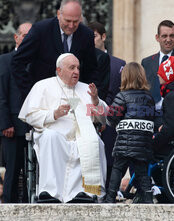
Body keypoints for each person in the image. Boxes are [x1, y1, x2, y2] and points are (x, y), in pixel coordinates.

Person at [18, 53, 107, 203]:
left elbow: (103, 118)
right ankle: (51, 192)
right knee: (51, 137)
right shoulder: (43, 86)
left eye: (78, 68)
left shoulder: (87, 89)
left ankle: (85, 192)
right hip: (54, 136)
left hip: (80, 138)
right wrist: (54, 114)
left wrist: (95, 100)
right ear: (59, 70)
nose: (76, 71)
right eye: (72, 68)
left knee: (95, 141)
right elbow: (30, 116)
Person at [11, 0, 98, 100]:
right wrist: (31, 92)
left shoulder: (86, 35)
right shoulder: (41, 30)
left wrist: (88, 97)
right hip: (43, 98)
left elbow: (91, 69)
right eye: (68, 21)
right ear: (58, 14)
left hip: (74, 99)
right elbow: (17, 62)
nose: (71, 26)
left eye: (75, 22)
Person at [104, 62, 155, 203]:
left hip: (125, 142)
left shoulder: (122, 96)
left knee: (117, 169)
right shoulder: (149, 97)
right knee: (142, 172)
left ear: (125, 77)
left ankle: (109, 198)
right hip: (143, 144)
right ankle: (148, 198)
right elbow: (152, 117)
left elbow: (112, 118)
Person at [88, 21, 126, 189]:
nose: (91, 40)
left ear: (103, 36)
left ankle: (111, 190)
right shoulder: (82, 61)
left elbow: (121, 91)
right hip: (88, 116)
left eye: (94, 36)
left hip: (112, 117)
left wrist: (108, 112)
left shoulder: (119, 64)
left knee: (111, 154)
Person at [0, 22, 32, 203]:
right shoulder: (4, 60)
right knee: (12, 170)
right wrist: (5, 123)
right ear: (16, 37)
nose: (28, 40)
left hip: (34, 126)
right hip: (12, 126)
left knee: (33, 171)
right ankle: (9, 208)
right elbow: (1, 94)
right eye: (25, 36)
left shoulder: (37, 61)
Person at [141, 20, 174, 108]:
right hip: (151, 113)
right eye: (164, 36)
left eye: (171, 36)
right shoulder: (146, 62)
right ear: (157, 37)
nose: (168, 40)